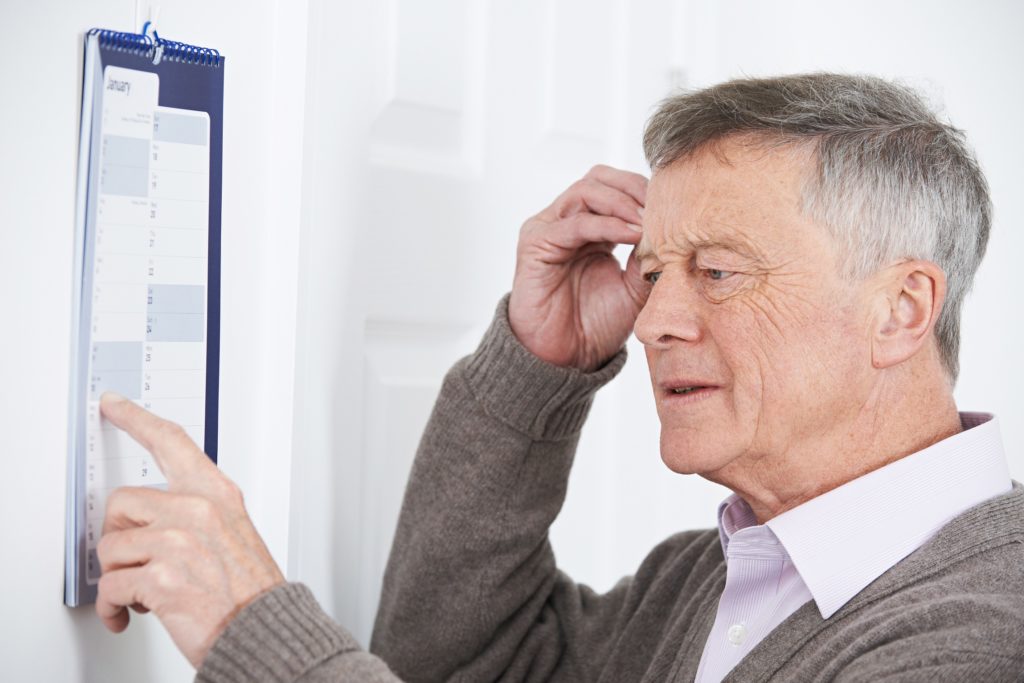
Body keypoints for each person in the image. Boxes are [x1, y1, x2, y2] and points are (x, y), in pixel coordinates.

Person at [95, 73, 1024, 683]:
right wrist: (539, 371)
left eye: (720, 271)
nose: (655, 318)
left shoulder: (984, 634)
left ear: (902, 308)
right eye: (654, 270)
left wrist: (257, 629)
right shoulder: (710, 578)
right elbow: (458, 664)